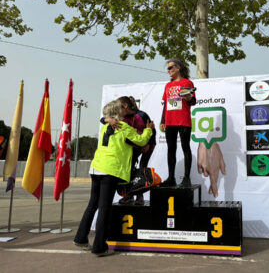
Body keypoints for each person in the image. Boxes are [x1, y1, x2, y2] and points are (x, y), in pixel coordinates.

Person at [74, 99, 154, 257]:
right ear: (117, 113)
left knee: (93, 205)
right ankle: (99, 246)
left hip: (96, 168)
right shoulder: (122, 126)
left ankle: (80, 238)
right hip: (110, 170)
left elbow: (106, 121)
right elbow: (141, 140)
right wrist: (148, 130)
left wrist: (106, 119)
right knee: (104, 208)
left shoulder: (104, 126)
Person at [101, 96, 156, 205]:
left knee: (142, 167)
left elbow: (151, 129)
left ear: (125, 106)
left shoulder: (141, 115)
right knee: (129, 169)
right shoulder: (121, 118)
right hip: (133, 145)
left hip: (146, 145)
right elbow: (103, 120)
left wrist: (148, 144)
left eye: (118, 107)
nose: (117, 110)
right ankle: (128, 195)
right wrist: (108, 119)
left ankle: (140, 196)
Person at [160, 58, 196, 187]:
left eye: (171, 68)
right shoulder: (168, 85)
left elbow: (193, 102)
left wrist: (188, 97)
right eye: (168, 69)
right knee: (171, 149)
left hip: (183, 120)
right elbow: (165, 104)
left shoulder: (187, 82)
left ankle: (186, 178)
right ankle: (171, 178)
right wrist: (162, 120)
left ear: (178, 67)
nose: (168, 71)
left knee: (185, 147)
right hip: (170, 121)